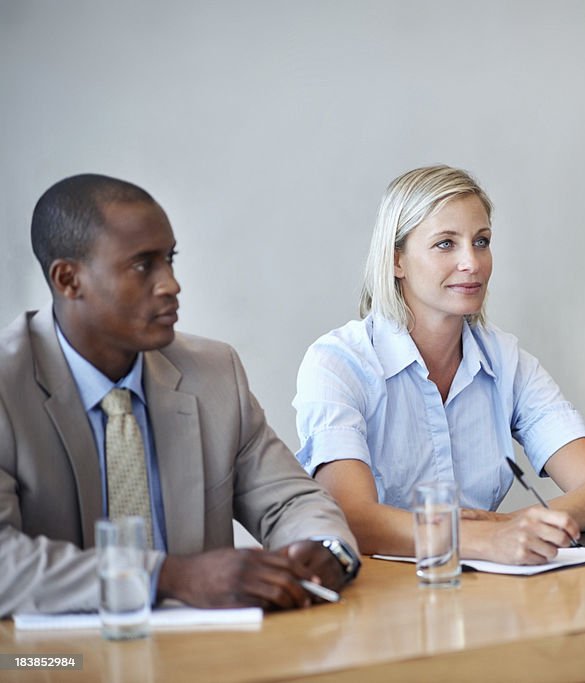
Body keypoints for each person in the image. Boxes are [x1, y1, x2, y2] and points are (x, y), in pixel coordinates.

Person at [0, 174, 360, 617]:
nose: (171, 284)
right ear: (68, 279)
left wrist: (325, 548)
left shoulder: (212, 373)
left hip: (208, 659)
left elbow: (292, 501)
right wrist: (169, 576)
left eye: (169, 260)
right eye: (142, 265)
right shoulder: (6, 387)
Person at [294, 165, 585, 565]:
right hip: (379, 597)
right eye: (445, 244)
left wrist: (510, 524)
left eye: (481, 241)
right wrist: (481, 539)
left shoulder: (506, 361)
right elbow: (350, 517)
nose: (472, 262)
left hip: (482, 592)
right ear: (396, 259)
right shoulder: (338, 362)